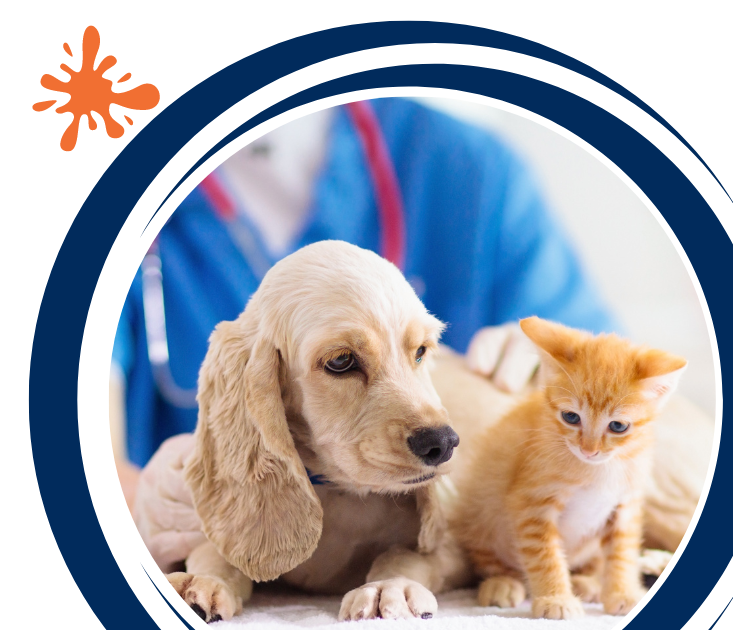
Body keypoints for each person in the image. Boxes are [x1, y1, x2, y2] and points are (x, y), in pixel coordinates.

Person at [110, 97, 619, 514]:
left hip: (433, 546)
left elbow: (633, 405)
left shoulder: (470, 171)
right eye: (341, 360)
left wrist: (564, 382)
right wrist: (146, 506)